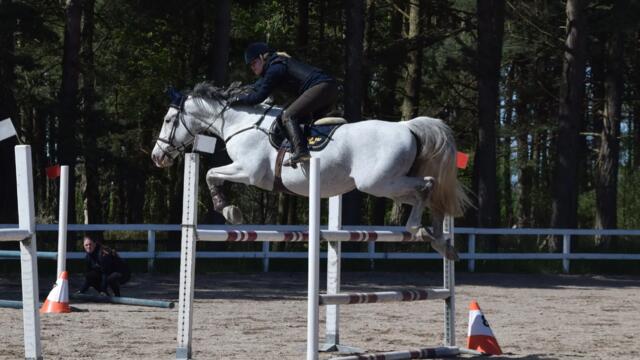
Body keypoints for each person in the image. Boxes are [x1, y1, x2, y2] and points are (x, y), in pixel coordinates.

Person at [230, 42, 338, 166]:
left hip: (321, 87)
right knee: (302, 122)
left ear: (262, 57)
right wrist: (234, 93)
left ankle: (301, 152)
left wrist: (238, 101)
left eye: (253, 63)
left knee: (288, 116)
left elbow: (258, 97)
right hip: (329, 87)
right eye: (250, 65)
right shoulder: (276, 65)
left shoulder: (275, 69)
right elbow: (255, 87)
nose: (252, 68)